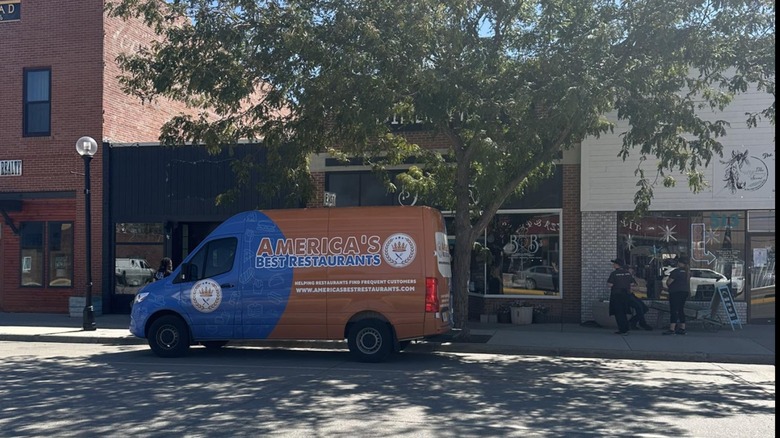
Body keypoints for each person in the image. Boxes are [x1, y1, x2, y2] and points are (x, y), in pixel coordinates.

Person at [663, 255, 690, 335]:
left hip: (675, 292)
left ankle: (672, 329)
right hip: (684, 292)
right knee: (681, 309)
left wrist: (669, 286)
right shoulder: (687, 272)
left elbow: (669, 282)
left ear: (679, 263)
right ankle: (682, 328)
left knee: (674, 310)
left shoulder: (676, 272)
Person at [607, 258, 633, 335]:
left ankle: (622, 330)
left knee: (619, 313)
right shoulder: (628, 273)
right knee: (624, 312)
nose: (613, 265)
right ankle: (626, 328)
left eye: (614, 263)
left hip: (617, 295)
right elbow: (632, 284)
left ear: (617, 265)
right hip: (626, 295)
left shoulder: (614, 273)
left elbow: (610, 285)